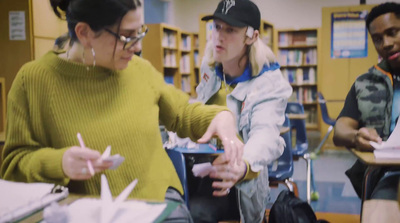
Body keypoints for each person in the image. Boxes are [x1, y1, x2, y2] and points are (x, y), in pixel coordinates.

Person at [0, 0, 245, 221]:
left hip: (158, 202)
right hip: (86, 212)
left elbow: (183, 113)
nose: (138, 46)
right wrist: (60, 163)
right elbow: (13, 167)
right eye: (127, 36)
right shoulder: (32, 81)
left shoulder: (140, 70)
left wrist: (221, 116)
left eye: (140, 32)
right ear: (84, 33)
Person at [192, 0, 292, 222]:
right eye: (216, 27)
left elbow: (265, 135)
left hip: (239, 181)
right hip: (200, 165)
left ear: (252, 37)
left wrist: (242, 164)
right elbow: (199, 107)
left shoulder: (269, 82)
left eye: (230, 30)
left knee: (196, 213)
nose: (219, 36)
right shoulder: (210, 65)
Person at [333, 2, 400, 203]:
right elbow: (340, 131)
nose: (386, 43)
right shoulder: (365, 83)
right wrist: (355, 136)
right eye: (377, 39)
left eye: (393, 32)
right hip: (388, 176)